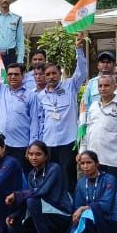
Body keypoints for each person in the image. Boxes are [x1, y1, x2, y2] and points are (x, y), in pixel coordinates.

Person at [80, 74, 117, 233]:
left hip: (114, 158)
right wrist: (83, 151)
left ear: (114, 87)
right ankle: (102, 222)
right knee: (98, 193)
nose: (103, 89)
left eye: (106, 85)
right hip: (95, 158)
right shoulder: (93, 106)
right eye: (100, 86)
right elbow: (87, 130)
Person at [0, 40, 41, 165]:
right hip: (0, 145)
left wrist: (32, 144)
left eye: (16, 74)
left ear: (23, 76)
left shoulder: (31, 95)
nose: (12, 77)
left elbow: (34, 122)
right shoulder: (1, 89)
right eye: (10, 74)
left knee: (19, 176)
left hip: (21, 145)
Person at [38, 36, 89, 189]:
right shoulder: (40, 96)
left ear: (60, 74)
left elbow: (82, 72)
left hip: (68, 142)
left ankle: (71, 203)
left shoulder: (70, 86)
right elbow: (40, 121)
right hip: (48, 143)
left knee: (68, 178)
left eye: (54, 73)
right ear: (44, 77)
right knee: (51, 178)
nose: (51, 77)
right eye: (48, 74)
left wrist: (79, 49)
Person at [5, 141, 72, 233]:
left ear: (46, 156)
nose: (34, 158)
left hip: (60, 214)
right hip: (43, 214)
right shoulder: (31, 174)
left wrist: (18, 194)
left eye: (38, 154)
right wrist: (15, 215)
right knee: (13, 228)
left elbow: (42, 191)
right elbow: (29, 196)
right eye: (31, 154)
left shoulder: (54, 168)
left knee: (32, 200)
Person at [62, 151, 117, 233]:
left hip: (108, 220)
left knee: (89, 214)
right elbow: (77, 205)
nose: (85, 166)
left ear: (97, 164)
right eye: (82, 163)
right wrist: (78, 212)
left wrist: (83, 208)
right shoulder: (81, 182)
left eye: (89, 162)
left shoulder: (110, 179)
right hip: (88, 220)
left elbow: (106, 206)